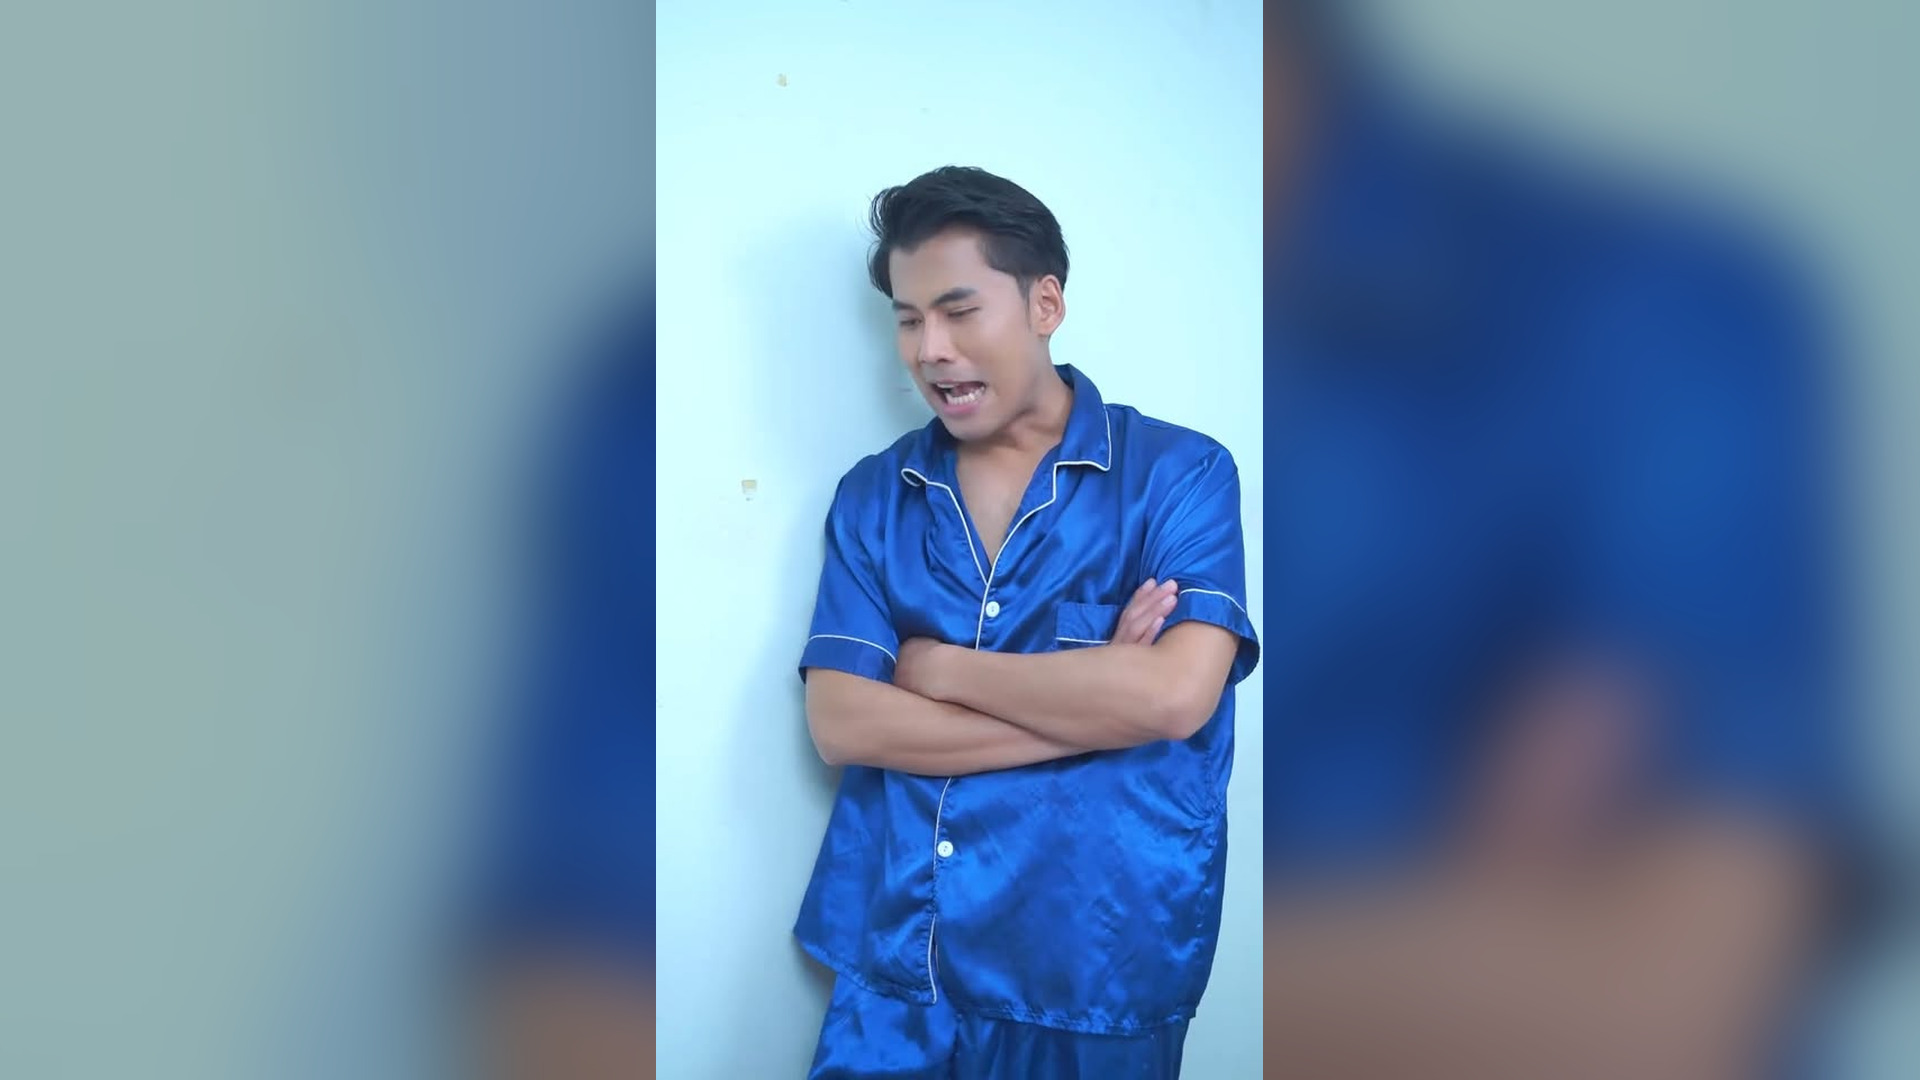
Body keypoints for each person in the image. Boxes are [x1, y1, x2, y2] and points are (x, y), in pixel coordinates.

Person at [794, 166, 1261, 1078]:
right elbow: (842, 724)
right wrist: (1096, 707)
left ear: (1045, 304)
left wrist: (941, 670)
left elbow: (1174, 700)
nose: (930, 350)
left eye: (959, 312)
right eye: (908, 319)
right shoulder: (874, 495)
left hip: (1098, 965)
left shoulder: (1181, 476)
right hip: (903, 962)